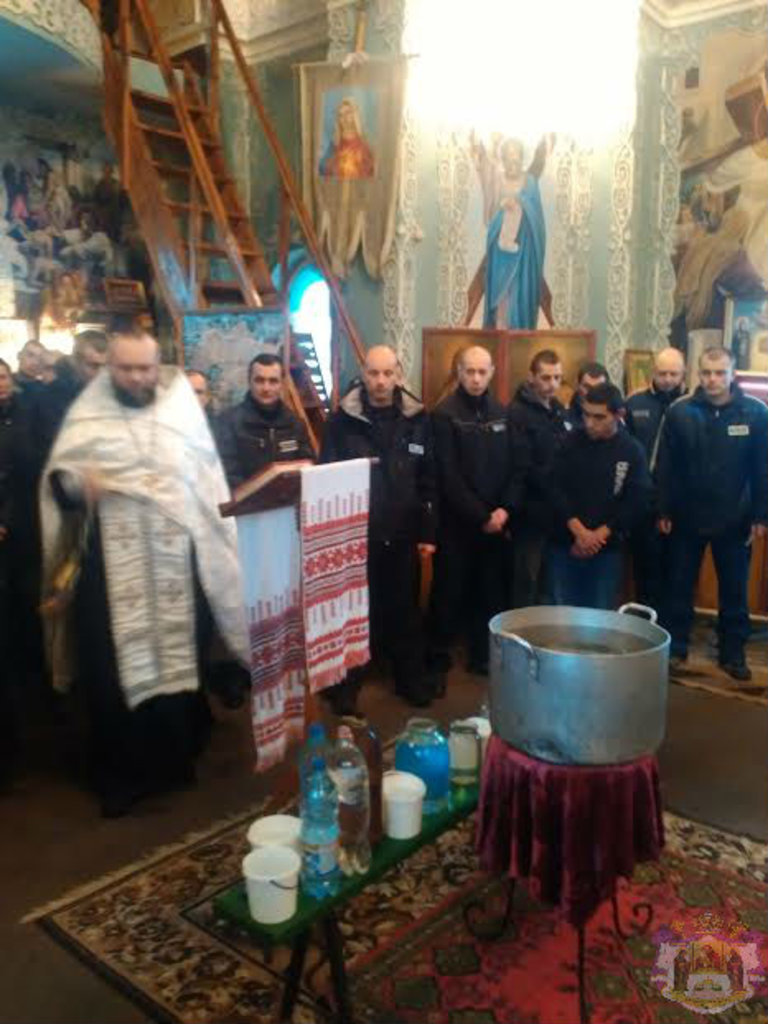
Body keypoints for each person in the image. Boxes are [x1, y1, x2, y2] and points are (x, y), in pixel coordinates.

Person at [40, 322, 247, 816]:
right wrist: (78, 487)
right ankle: (121, 780)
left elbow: (207, 482)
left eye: (144, 368)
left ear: (159, 366)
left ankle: (172, 765)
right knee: (112, 674)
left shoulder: (181, 412)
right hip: (112, 570)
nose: (136, 377)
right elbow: (58, 484)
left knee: (176, 662)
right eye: (125, 368)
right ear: (110, 367)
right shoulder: (89, 413)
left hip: (175, 563)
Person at [320, 345, 438, 712]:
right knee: (354, 612)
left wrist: (428, 533)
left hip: (404, 532)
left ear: (399, 374)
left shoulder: (418, 419)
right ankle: (346, 685)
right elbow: (327, 477)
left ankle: (409, 679)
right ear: (363, 373)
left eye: (388, 373)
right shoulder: (341, 421)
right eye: (374, 373)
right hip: (358, 533)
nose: (381, 381)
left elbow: (429, 479)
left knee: (404, 611)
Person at [656, 346, 768, 681]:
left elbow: (763, 469)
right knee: (679, 588)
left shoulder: (756, 413)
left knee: (734, 592)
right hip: (686, 517)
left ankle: (733, 654)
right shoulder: (679, 411)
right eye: (706, 372)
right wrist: (663, 508)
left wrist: (761, 515)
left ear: (733, 374)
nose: (713, 379)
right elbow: (665, 466)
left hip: (735, 519)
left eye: (720, 373)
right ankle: (676, 650)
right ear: (698, 374)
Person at [428, 345, 527, 674]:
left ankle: (482, 656)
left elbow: (517, 468)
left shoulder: (503, 413)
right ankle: (438, 657)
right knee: (448, 593)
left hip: (496, 523)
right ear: (459, 373)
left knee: (490, 593)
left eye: (482, 372)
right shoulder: (444, 414)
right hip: (458, 525)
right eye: (469, 371)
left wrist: (504, 511)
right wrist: (481, 516)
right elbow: (448, 475)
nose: (475, 378)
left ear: (492, 373)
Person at [548, 383, 651, 609]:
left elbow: (636, 500)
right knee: (561, 615)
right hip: (565, 542)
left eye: (599, 417)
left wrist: (598, 535)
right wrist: (579, 532)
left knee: (599, 615)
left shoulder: (631, 450)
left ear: (619, 415)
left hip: (607, 547)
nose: (589, 423)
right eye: (586, 414)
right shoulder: (568, 442)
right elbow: (554, 488)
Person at [507, 349, 570, 607]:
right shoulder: (517, 412)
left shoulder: (558, 410)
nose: (552, 384)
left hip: (556, 513)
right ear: (532, 377)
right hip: (529, 512)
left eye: (557, 378)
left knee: (550, 584)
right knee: (527, 582)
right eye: (546, 378)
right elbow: (523, 465)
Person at [625, 347, 686, 610]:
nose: (668, 379)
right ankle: (645, 625)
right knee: (645, 573)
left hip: (680, 504)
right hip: (643, 504)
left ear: (684, 373)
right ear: (653, 372)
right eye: (662, 373)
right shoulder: (634, 403)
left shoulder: (692, 405)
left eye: (674, 373)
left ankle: (671, 626)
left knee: (678, 574)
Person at [470, 133, 550, 330]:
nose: (512, 163)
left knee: (520, 292)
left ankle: (519, 330)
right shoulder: (497, 180)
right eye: (508, 159)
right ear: (503, 160)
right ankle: (500, 329)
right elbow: (491, 213)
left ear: (522, 160)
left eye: (516, 159)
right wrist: (503, 208)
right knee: (501, 296)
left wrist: (520, 203)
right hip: (500, 253)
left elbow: (538, 220)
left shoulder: (530, 183)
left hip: (524, 253)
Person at [215, 353, 313, 491]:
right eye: (259, 380)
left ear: (282, 384)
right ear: (249, 382)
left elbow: (307, 468)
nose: (266, 388)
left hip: (288, 501)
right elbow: (228, 475)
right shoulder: (229, 422)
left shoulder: (295, 424)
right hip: (247, 502)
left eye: (273, 381)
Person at [319, 98, 375, 180]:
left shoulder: (364, 146)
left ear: (354, 116)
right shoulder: (334, 145)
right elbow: (323, 171)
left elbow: (369, 173)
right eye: (341, 115)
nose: (344, 118)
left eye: (347, 113)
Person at [566, 360, 609, 429]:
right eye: (587, 387)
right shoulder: (565, 420)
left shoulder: (616, 418)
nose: (593, 393)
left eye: (599, 388)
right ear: (577, 386)